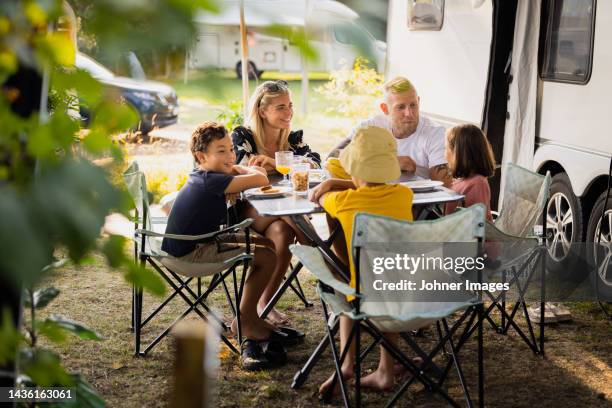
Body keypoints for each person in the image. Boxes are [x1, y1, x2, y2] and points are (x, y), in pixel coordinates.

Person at [161, 122, 288, 371]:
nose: (230, 155)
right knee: (266, 255)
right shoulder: (212, 180)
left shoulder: (206, 176)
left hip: (196, 243)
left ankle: (247, 317)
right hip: (191, 252)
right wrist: (239, 168)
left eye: (231, 149)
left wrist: (230, 166)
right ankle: (246, 319)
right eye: (221, 151)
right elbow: (260, 178)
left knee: (265, 246)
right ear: (201, 156)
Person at [311, 126, 414, 396]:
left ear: (354, 171)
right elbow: (384, 190)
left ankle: (347, 365)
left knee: (347, 283)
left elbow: (318, 197)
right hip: (415, 298)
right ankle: (385, 370)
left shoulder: (344, 201)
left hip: (367, 300)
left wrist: (333, 182)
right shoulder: (405, 195)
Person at [231, 80, 320, 325]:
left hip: (279, 212)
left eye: (290, 105)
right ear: (262, 111)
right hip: (249, 209)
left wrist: (273, 162)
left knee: (281, 232)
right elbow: (242, 166)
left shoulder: (291, 139)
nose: (289, 112)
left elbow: (315, 163)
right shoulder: (244, 136)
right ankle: (323, 262)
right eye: (281, 107)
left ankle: (265, 303)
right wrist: (287, 165)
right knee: (292, 216)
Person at [327, 76, 451, 185]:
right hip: (376, 195)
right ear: (385, 109)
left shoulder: (435, 133)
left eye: (413, 105)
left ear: (418, 102)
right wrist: (390, 162)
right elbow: (333, 157)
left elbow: (443, 186)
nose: (409, 113)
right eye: (401, 107)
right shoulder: (371, 127)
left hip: (420, 205)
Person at [443, 123, 496, 221]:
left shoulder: (478, 184)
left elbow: (478, 226)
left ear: (458, 153)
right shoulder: (461, 181)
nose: (445, 154)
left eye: (446, 148)